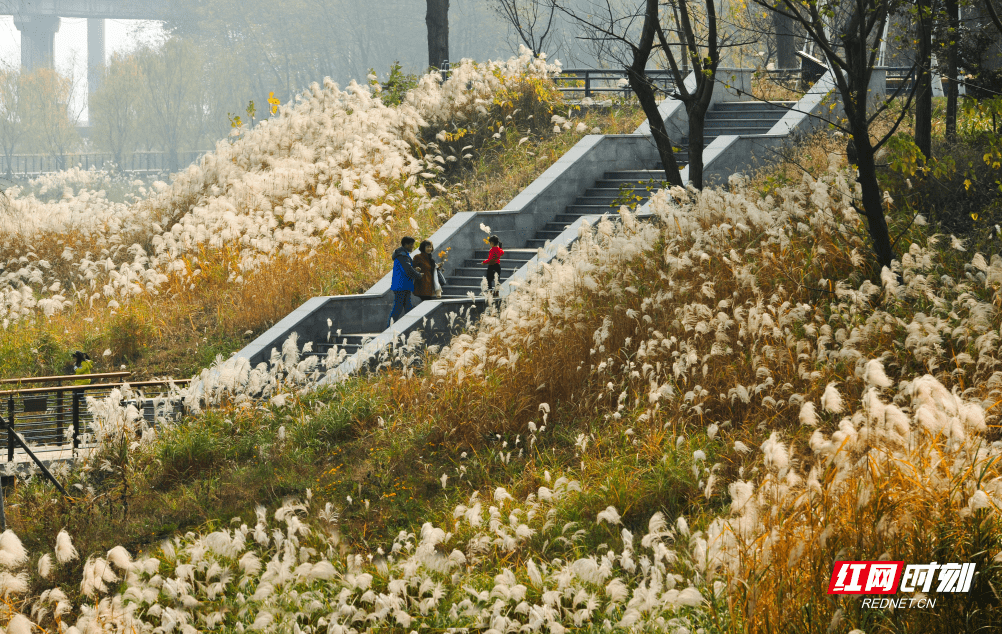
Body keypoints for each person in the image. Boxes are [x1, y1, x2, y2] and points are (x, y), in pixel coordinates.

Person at [387, 236, 422, 327]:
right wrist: (418, 275)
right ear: (406, 245)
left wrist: (415, 269)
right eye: (411, 245)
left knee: (408, 307)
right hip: (401, 286)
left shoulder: (402, 254)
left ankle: (410, 327)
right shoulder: (402, 255)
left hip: (403, 285)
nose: (412, 247)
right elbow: (408, 270)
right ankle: (389, 328)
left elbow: (408, 268)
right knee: (398, 308)